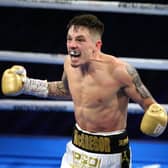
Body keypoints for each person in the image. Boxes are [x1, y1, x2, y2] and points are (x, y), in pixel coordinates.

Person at [1, 14, 167, 168]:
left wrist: (157, 120)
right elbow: (66, 90)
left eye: (80, 40)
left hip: (111, 155)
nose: (72, 45)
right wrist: (27, 85)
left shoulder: (120, 72)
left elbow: (152, 107)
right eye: (69, 39)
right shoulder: (69, 64)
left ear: (97, 45)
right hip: (76, 148)